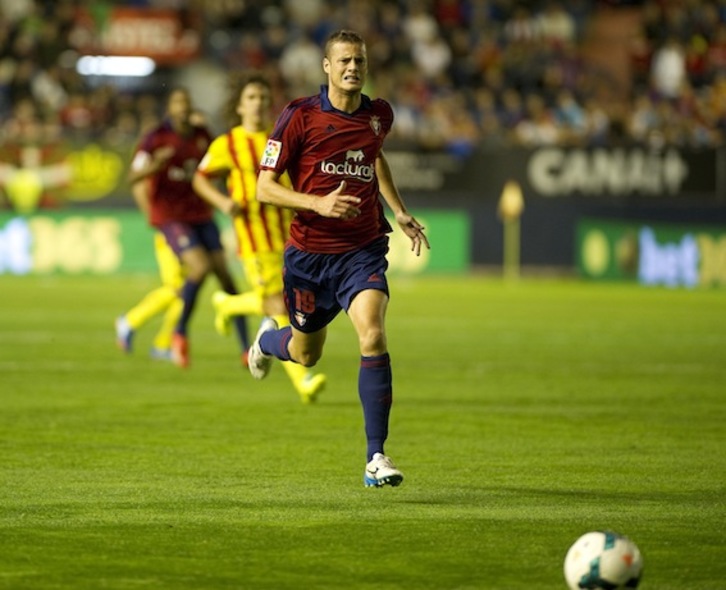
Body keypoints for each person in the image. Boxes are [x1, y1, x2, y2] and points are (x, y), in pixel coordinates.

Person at [251, 30, 430, 487]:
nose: (353, 68)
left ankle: (376, 456)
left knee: (372, 334)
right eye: (345, 60)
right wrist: (317, 204)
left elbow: (373, 158)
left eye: (360, 61)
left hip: (361, 250)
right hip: (309, 257)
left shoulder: (378, 116)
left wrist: (399, 210)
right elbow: (264, 187)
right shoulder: (299, 116)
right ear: (327, 67)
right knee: (304, 352)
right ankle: (265, 343)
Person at [192, 74, 327, 403]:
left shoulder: (279, 139)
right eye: (252, 96)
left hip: (290, 237)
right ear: (239, 105)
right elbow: (200, 178)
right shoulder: (227, 144)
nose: (259, 102)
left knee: (288, 303)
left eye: (264, 97)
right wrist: (224, 202)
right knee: (279, 306)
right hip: (253, 239)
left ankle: (228, 304)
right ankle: (303, 381)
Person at [128, 87, 250, 368]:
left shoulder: (201, 136)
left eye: (186, 102)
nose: (182, 108)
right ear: (170, 109)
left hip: (201, 214)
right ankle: (179, 333)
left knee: (226, 277)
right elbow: (133, 176)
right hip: (171, 216)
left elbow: (214, 169)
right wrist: (154, 166)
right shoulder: (155, 138)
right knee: (199, 268)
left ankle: (246, 347)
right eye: (177, 103)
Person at [115, 180, 183, 361]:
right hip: (171, 232)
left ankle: (162, 345)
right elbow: (139, 185)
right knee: (179, 289)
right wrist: (154, 217)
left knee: (185, 293)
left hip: (185, 231)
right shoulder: (165, 163)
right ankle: (130, 321)